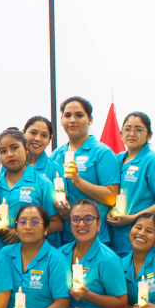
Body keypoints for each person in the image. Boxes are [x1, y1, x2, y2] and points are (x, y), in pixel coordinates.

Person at [63, 199, 129, 308]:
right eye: (76, 219)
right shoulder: (61, 254)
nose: (81, 224)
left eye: (88, 219)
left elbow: (122, 303)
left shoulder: (107, 260)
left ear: (99, 224)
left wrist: (88, 296)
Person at [52, 96, 121, 247]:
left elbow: (111, 197)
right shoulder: (57, 155)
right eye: (67, 115)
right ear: (61, 120)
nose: (72, 120)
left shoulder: (102, 152)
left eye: (79, 115)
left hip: (95, 238)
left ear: (90, 119)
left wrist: (78, 181)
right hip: (64, 237)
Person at [0, 204, 69, 308]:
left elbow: (62, 302)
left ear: (46, 229)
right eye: (22, 222)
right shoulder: (5, 254)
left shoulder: (56, 259)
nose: (28, 227)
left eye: (35, 222)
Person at [0, 125, 57, 244]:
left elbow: (56, 223)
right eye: (3, 151)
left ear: (26, 149)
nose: (9, 154)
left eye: (14, 148)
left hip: (31, 253)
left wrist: (21, 233)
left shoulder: (42, 184)